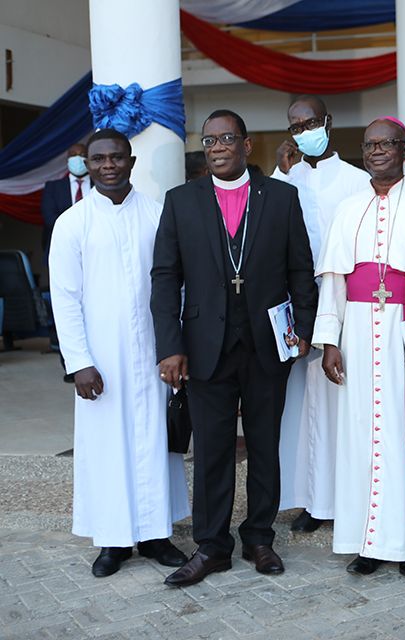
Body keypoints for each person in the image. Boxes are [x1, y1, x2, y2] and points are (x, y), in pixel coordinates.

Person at [152, 109, 318, 586]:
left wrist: (302, 329)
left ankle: (259, 538)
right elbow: (165, 277)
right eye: (209, 141)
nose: (218, 147)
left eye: (227, 138)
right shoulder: (181, 201)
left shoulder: (282, 197)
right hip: (204, 346)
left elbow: (299, 271)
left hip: (268, 343)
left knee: (265, 445)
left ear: (247, 145)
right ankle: (212, 546)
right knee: (211, 450)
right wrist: (170, 346)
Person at [313, 117, 405, 577]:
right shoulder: (348, 208)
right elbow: (334, 281)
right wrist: (329, 341)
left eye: (387, 144)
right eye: (370, 145)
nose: (377, 151)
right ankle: (367, 539)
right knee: (363, 436)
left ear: (403, 149)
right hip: (358, 335)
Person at [49, 129, 191, 578]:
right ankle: (113, 540)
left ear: (131, 162)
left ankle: (154, 535)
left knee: (155, 439)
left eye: (116, 157)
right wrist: (79, 363)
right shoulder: (71, 223)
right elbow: (65, 298)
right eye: (98, 159)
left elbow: (178, 288)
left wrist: (176, 348)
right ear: (86, 165)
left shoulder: (157, 214)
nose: (107, 165)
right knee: (108, 444)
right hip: (101, 359)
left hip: (155, 352)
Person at [271, 94, 370, 534]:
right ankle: (310, 498)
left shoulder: (357, 180)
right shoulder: (284, 180)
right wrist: (279, 172)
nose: (304, 132)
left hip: (343, 302)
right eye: (295, 126)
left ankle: (348, 495)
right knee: (299, 406)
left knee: (340, 402)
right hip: (294, 303)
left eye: (310, 123)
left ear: (328, 122)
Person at [42, 142, 91, 382]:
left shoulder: (100, 186)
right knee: (66, 307)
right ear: (67, 160)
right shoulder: (54, 187)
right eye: (74, 155)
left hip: (95, 256)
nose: (78, 159)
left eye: (83, 155)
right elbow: (51, 219)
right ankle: (71, 365)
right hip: (65, 255)